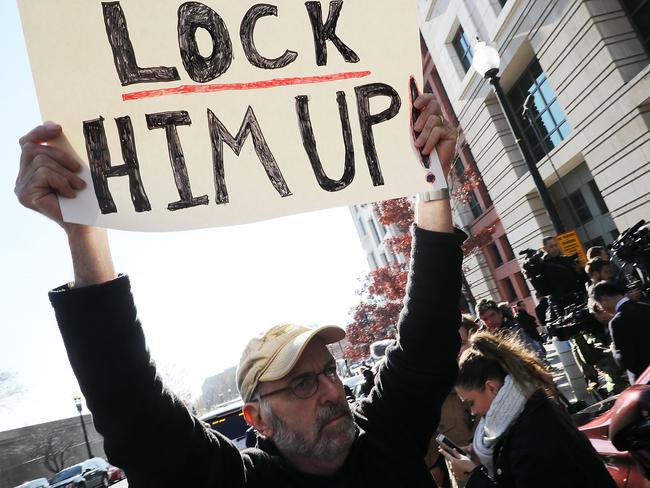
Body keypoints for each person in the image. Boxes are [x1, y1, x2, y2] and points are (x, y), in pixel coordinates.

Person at [16, 95, 463, 486]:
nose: (331, 391)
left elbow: (427, 336)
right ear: (256, 419)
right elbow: (133, 411)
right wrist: (83, 228)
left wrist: (432, 185)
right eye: (303, 384)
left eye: (328, 371)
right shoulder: (243, 480)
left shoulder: (386, 434)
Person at [440, 332, 616, 488]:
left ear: (492, 388)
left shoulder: (532, 430)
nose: (472, 412)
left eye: (471, 403)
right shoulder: (523, 412)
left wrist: (473, 476)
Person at [591, 281, 650, 383]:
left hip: (643, 380)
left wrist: (614, 350)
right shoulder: (646, 307)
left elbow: (626, 360)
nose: (603, 309)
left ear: (604, 299)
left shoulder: (617, 322)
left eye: (600, 305)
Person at [476, 300, 544, 360]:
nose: (490, 321)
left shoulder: (515, 332)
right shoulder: (483, 340)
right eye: (485, 319)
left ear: (500, 313)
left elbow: (536, 355)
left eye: (492, 315)